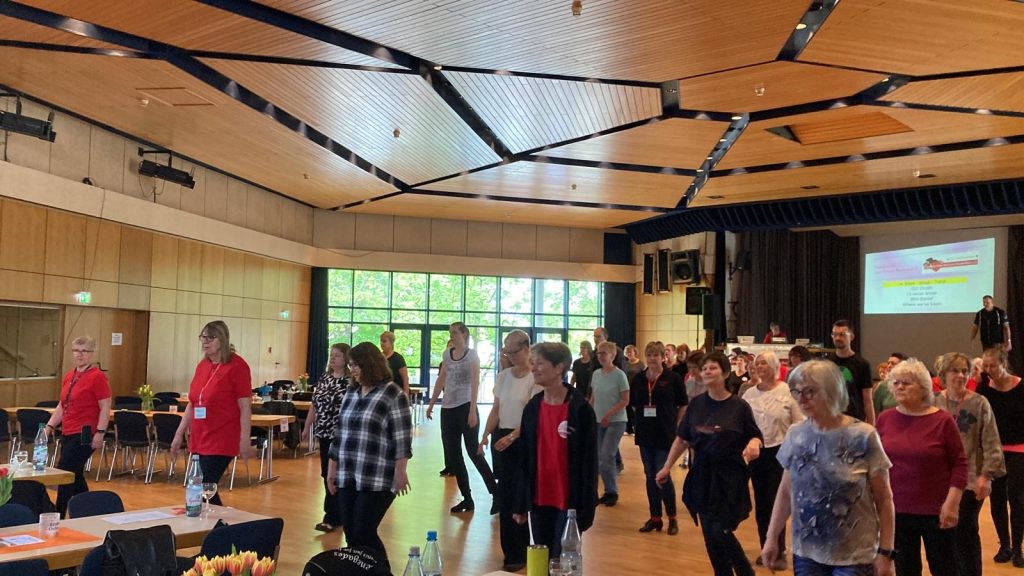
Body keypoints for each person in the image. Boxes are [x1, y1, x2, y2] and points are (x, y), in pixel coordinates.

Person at [760, 360, 896, 576]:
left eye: (809, 391)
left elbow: (884, 499)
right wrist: (771, 538)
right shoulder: (796, 434)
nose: (801, 398)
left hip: (856, 554)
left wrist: (886, 552)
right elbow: (786, 491)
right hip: (807, 552)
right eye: (796, 391)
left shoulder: (863, 435)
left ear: (832, 391)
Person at [657, 352, 762, 576]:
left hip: (729, 477)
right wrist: (666, 467)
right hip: (702, 475)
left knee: (719, 530)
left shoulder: (739, 406)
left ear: (725, 373)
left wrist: (754, 444)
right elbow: (682, 439)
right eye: (704, 368)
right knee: (709, 534)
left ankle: (744, 570)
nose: (707, 372)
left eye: (712, 368)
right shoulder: (696, 404)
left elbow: (755, 435)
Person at [876, 359, 967, 576]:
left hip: (936, 511)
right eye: (896, 382)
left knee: (945, 569)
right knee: (906, 569)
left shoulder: (942, 420)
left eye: (906, 383)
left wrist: (952, 503)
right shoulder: (885, 419)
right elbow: (876, 463)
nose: (899, 387)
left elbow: (960, 464)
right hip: (896, 510)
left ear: (923, 388)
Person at [327, 342, 412, 571]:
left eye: (356, 365)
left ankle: (382, 572)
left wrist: (401, 472)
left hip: (377, 476)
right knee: (351, 532)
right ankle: (361, 572)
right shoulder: (351, 393)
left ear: (370, 365)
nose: (352, 370)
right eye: (350, 365)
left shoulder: (393, 394)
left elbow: (402, 438)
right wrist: (331, 470)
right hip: (348, 473)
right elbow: (339, 433)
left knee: (364, 530)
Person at [512, 342, 598, 557]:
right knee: (542, 559)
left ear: (559, 368)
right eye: (533, 363)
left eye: (539, 363)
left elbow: (589, 463)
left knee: (565, 561)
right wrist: (520, 503)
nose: (533, 368)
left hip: (569, 502)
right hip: (539, 498)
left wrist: (587, 508)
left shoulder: (580, 409)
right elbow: (524, 457)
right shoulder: (533, 407)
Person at [935, 352, 1006, 576]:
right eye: (955, 370)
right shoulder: (933, 402)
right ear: (943, 374)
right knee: (943, 535)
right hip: (938, 481)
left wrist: (987, 475)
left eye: (965, 371)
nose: (961, 375)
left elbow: (992, 442)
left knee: (965, 531)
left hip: (970, 480)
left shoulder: (979, 403)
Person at [171, 321, 254, 505]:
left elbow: (245, 407)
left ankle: (218, 521)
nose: (205, 342)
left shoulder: (237, 366)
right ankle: (215, 520)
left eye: (211, 337)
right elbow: (193, 403)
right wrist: (178, 433)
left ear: (222, 339)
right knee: (198, 487)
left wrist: (244, 439)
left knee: (203, 486)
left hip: (222, 437)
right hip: (199, 436)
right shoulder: (202, 366)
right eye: (203, 337)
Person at [479, 330, 539, 572]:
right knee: (504, 495)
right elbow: (496, 409)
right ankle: (510, 552)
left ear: (526, 349)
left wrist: (513, 436)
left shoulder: (534, 377)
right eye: (506, 352)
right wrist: (485, 435)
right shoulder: (504, 376)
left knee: (520, 496)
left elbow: (533, 417)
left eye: (512, 352)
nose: (509, 356)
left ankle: (522, 549)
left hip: (523, 439)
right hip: (502, 437)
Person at [426, 322, 496, 513]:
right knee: (454, 455)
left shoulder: (472, 355)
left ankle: (495, 493)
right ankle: (467, 498)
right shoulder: (446, 354)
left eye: (456, 332)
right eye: (451, 333)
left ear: (464, 334)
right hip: (448, 408)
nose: (452, 335)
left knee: (473, 452)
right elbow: (441, 379)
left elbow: (475, 383)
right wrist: (432, 403)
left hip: (465, 406)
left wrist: (472, 411)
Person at [742, 351, 804, 570]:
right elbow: (743, 423)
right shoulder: (749, 394)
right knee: (761, 503)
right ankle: (765, 547)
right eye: (757, 363)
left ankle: (779, 549)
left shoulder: (787, 391)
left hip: (781, 452)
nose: (759, 366)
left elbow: (799, 423)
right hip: (758, 453)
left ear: (775, 366)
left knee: (776, 502)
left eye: (764, 363)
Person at [44, 336, 111, 515]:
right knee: (75, 474)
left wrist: (100, 432)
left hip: (85, 433)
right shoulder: (69, 375)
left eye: (84, 351)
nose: (80, 355)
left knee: (65, 471)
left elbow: (105, 406)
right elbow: (62, 405)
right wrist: (49, 426)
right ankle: (89, 510)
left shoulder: (97, 377)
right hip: (68, 430)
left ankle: (58, 513)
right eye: (76, 351)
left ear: (92, 353)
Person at [632, 342, 687, 534]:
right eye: (649, 354)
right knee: (649, 475)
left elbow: (683, 404)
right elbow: (634, 404)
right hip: (645, 433)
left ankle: (672, 517)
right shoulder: (639, 378)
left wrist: (676, 424)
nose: (652, 358)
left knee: (662, 475)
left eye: (656, 355)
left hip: (665, 433)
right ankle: (655, 518)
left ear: (663, 357)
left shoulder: (673, 378)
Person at [977, 345, 1024, 565]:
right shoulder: (984, 388)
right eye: (985, 366)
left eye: (993, 366)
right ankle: (1004, 545)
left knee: (1017, 498)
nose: (988, 370)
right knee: (996, 499)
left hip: (1020, 448)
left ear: (1004, 363)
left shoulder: (1021, 386)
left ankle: (1017, 548)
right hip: (994, 449)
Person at [302, 343, 350, 533]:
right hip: (324, 432)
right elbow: (314, 404)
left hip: (343, 434)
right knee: (326, 474)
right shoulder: (324, 378)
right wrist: (307, 426)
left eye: (337, 355)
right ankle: (333, 513)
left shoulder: (350, 382)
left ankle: (334, 515)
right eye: (331, 355)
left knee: (339, 474)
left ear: (346, 359)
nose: (332, 358)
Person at [590, 341, 630, 507]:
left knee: (607, 455)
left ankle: (612, 491)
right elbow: (593, 397)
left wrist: (609, 414)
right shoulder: (596, 374)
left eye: (604, 353)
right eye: (599, 353)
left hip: (616, 421)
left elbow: (625, 400)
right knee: (600, 457)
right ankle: (608, 491)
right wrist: (589, 414)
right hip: (598, 421)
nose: (600, 356)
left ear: (612, 355)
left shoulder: (619, 375)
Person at [827, 320, 875, 424]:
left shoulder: (862, 364)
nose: (837, 338)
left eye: (842, 334)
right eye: (834, 334)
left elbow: (867, 400)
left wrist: (872, 426)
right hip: (831, 418)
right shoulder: (827, 363)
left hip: (855, 420)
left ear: (851, 337)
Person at [872, 352, 907, 418]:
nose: (889, 366)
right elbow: (875, 411)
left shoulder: (911, 386)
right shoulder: (882, 386)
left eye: (893, 363)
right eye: (888, 363)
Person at [379, 331, 409, 396]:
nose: (382, 343)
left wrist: (406, 394)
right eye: (381, 341)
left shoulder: (398, 359)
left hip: (396, 393)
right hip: (381, 392)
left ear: (391, 343)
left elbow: (405, 378)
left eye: (384, 341)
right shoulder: (377, 357)